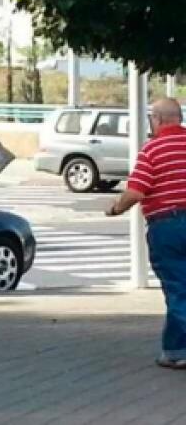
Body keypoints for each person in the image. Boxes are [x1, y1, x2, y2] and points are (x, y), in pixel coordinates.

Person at [106, 98, 186, 369]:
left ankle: (177, 351)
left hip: (168, 226)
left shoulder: (153, 150)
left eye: (152, 118)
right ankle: (175, 349)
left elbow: (136, 191)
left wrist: (117, 208)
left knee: (177, 290)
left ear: (159, 120)